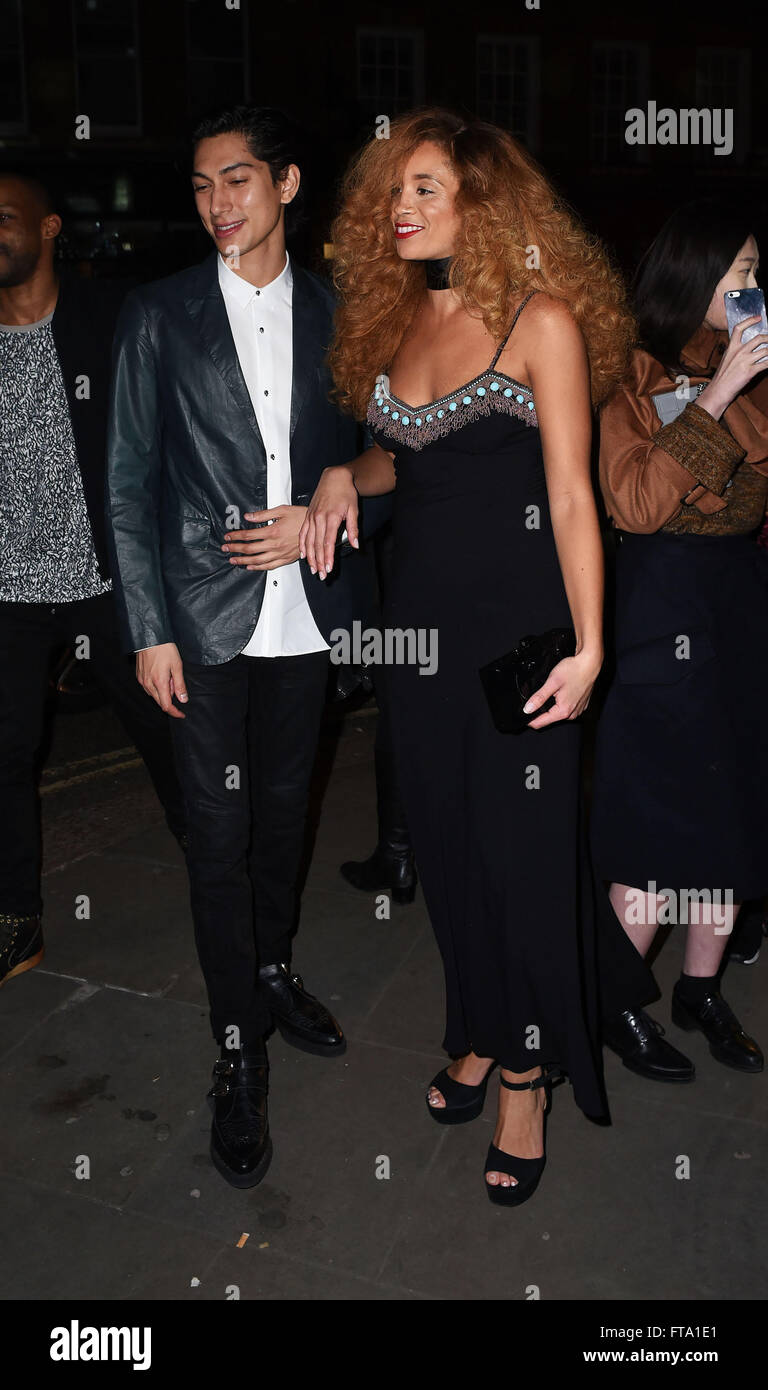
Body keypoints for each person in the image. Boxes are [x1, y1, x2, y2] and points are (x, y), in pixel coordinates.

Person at [300, 108, 654, 1206]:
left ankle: (529, 1070)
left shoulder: (536, 321)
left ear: (482, 203)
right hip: (419, 639)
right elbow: (409, 453)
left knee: (521, 858)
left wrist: (593, 646)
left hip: (520, 640)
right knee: (445, 850)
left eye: (425, 189)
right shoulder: (399, 319)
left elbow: (570, 495)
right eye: (393, 191)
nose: (399, 209)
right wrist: (341, 477)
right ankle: (473, 1023)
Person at [106, 106, 383, 1190]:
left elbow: (375, 453)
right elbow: (126, 482)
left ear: (287, 184)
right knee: (217, 840)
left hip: (306, 617)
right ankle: (236, 1055)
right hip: (203, 627)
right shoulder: (157, 315)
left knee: (283, 818)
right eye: (202, 186)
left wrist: (340, 485)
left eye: (238, 181)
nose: (219, 204)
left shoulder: (339, 312)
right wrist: (147, 630)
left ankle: (270, 969)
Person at [592, 200, 768, 1081]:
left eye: (755, 271)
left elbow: (755, 494)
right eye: (738, 273)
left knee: (729, 817)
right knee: (660, 823)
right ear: (692, 278)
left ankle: (699, 991)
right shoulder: (626, 374)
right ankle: (620, 999)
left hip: (738, 607)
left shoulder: (755, 368)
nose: (752, 288)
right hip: (662, 612)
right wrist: (722, 391)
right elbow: (635, 504)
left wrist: (740, 388)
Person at [0, 172, 185, 991]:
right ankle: (16, 918)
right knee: (5, 754)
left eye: (2, 218)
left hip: (108, 582)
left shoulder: (111, 317)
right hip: (8, 593)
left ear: (46, 230)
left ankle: (219, 874)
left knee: (168, 735)